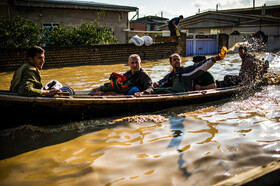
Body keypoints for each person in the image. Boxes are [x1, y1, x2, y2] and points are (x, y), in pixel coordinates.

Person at [153, 53, 225, 93]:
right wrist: (157, 84)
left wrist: (214, 59)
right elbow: (161, 83)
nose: (177, 61)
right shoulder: (170, 76)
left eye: (178, 59)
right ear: (171, 63)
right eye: (174, 60)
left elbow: (202, 66)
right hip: (173, 94)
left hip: (185, 95)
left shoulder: (187, 71)